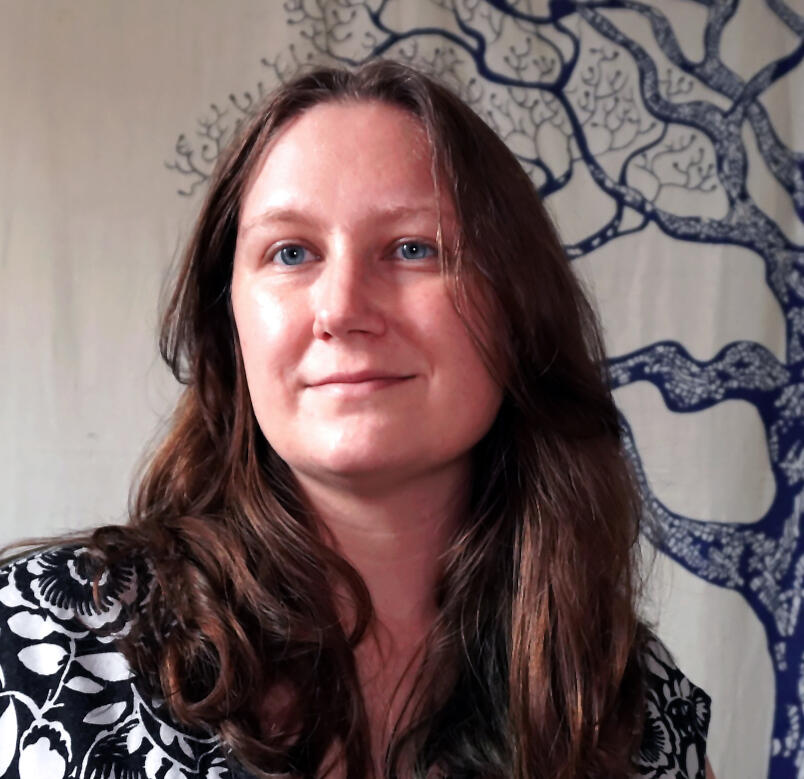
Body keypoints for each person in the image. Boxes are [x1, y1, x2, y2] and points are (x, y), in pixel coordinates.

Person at [0, 60, 713, 778]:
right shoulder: (33, 643)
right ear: (231, 323)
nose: (341, 308)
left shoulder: (635, 710)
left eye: (413, 249)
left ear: (520, 311)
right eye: (290, 253)